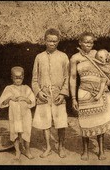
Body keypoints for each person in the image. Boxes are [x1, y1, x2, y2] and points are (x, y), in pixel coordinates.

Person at [70, 32, 110, 160]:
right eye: (85, 42)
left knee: (100, 120)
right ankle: (85, 151)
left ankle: (101, 150)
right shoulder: (75, 58)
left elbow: (109, 65)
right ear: (80, 42)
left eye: (91, 42)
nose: (88, 45)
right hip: (84, 92)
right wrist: (73, 98)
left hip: (99, 92)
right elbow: (73, 78)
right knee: (85, 122)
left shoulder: (97, 53)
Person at [32, 28, 69, 158]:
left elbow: (67, 78)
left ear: (58, 41)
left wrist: (63, 93)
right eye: (49, 41)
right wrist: (38, 92)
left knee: (61, 122)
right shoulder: (39, 57)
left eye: (54, 41)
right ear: (45, 41)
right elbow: (34, 79)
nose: (52, 43)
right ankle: (48, 147)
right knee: (45, 122)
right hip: (44, 95)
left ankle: (61, 147)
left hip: (58, 95)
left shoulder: (63, 57)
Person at [0, 66, 36, 160]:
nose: (18, 80)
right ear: (12, 77)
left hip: (25, 115)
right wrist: (10, 98)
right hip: (14, 115)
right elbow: (2, 103)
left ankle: (27, 150)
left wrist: (25, 98)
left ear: (23, 77)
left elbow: (32, 101)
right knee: (15, 132)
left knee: (26, 132)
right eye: (16, 78)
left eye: (20, 78)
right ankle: (18, 151)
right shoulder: (9, 88)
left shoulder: (26, 88)